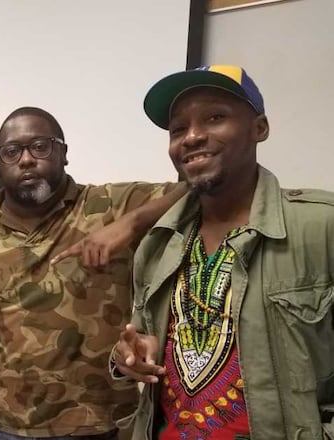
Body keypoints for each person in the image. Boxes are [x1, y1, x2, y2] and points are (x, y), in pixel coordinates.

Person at [112, 65, 334, 440]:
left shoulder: (320, 227)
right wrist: (128, 358)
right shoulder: (158, 242)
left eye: (215, 118)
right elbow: (143, 344)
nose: (193, 137)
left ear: (259, 128)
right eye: (178, 129)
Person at [0, 106, 186, 440]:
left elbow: (195, 189)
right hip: (4, 428)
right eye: (11, 152)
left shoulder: (109, 205)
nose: (26, 159)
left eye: (40, 146)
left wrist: (131, 223)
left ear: (63, 153)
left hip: (103, 426)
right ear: (0, 165)